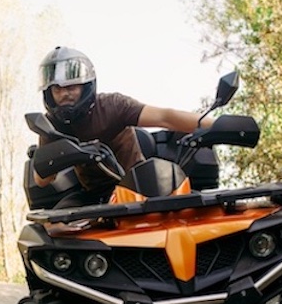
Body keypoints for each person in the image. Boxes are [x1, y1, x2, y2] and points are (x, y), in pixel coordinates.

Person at [34, 46, 215, 208]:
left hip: (140, 184)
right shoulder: (51, 126)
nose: (64, 94)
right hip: (94, 196)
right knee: (52, 228)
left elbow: (165, 117)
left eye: (71, 87)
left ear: (85, 85)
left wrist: (217, 124)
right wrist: (59, 156)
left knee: (206, 209)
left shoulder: (112, 106)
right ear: (49, 93)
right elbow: (41, 180)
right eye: (57, 89)